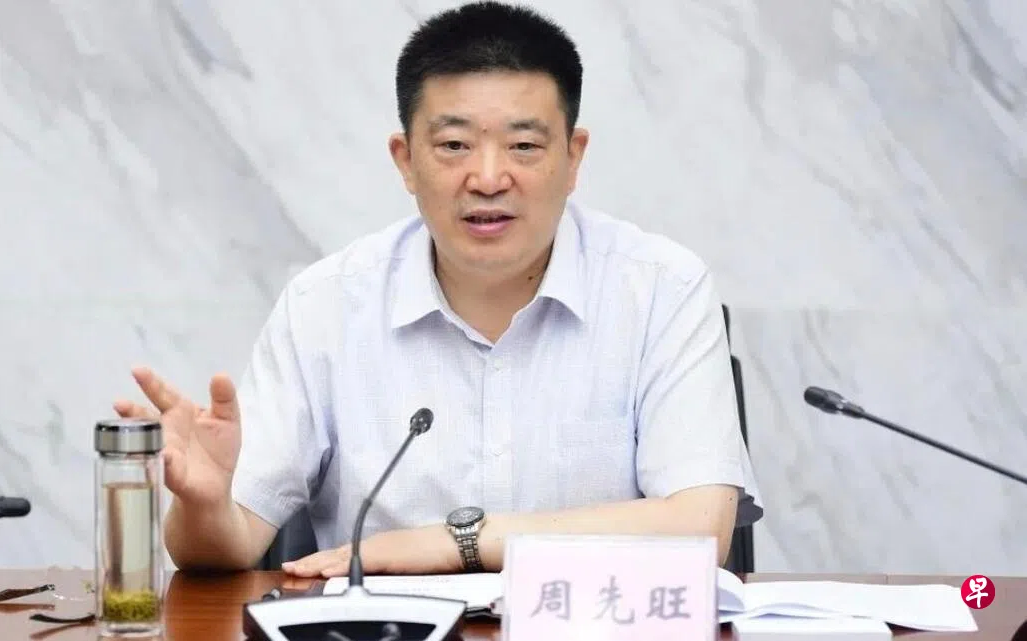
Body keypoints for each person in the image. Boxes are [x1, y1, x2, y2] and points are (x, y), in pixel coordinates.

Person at [113, 0, 763, 577]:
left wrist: (457, 543)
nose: (488, 177)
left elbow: (700, 527)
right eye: (454, 145)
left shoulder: (660, 290)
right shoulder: (326, 306)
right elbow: (225, 544)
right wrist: (204, 508)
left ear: (574, 158)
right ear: (405, 160)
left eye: (524, 146)